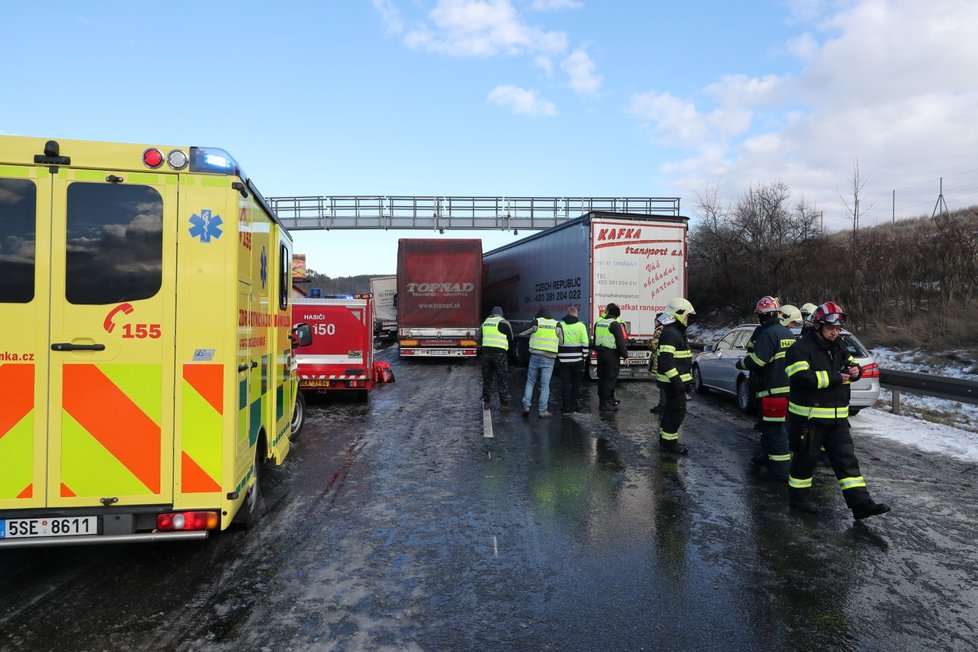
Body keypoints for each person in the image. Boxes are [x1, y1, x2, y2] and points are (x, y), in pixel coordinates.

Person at [784, 301, 891, 519]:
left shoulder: (839, 346)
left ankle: (861, 504)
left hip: (837, 419)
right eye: (831, 328)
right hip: (809, 419)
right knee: (805, 461)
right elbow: (800, 377)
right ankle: (799, 499)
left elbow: (852, 365)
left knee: (847, 462)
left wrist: (855, 372)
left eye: (837, 329)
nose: (835, 332)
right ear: (818, 326)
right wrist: (835, 378)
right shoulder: (800, 348)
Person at [736, 296, 794, 480]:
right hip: (787, 390)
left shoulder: (768, 334)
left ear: (761, 315)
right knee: (772, 428)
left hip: (772, 391)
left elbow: (758, 360)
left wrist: (742, 363)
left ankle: (780, 472)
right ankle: (768, 460)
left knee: (775, 432)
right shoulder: (786, 333)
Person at [655, 297, 696, 453]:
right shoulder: (671, 333)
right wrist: (677, 381)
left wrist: (687, 380)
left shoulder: (675, 332)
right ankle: (669, 444)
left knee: (672, 411)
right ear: (679, 314)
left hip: (675, 381)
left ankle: (666, 441)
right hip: (672, 382)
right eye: (687, 315)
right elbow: (666, 361)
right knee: (676, 412)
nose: (688, 319)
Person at [519, 307, 563, 418]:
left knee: (530, 382)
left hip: (535, 356)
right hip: (549, 358)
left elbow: (522, 333)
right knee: (545, 385)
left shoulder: (536, 322)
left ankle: (526, 406)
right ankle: (543, 411)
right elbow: (562, 342)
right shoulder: (557, 324)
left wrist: (530, 335)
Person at [477, 306, 514, 411]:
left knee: (487, 380)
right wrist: (509, 354)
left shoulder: (486, 322)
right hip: (500, 355)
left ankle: (487, 403)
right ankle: (504, 405)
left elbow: (476, 338)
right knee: (502, 380)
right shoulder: (504, 323)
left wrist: (484, 345)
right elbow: (511, 339)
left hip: (486, 355)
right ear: (501, 314)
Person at [593, 303, 628, 412]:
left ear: (608, 312)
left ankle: (602, 402)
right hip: (611, 355)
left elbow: (595, 340)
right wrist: (625, 356)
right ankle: (606, 404)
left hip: (600, 353)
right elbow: (620, 342)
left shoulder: (598, 322)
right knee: (610, 379)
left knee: (602, 378)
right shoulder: (614, 324)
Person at [557, 306, 589, 413]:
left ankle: (565, 406)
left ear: (567, 313)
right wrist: (584, 357)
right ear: (576, 314)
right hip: (577, 360)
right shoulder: (581, 326)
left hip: (563, 360)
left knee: (565, 383)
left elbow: (557, 341)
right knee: (576, 383)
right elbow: (585, 343)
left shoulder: (560, 324)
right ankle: (574, 405)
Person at [649, 313, 667, 414]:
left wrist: (650, 343)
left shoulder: (659, 330)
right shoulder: (668, 329)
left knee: (662, 384)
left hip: (659, 360)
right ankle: (664, 404)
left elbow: (653, 345)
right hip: (665, 359)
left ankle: (662, 405)